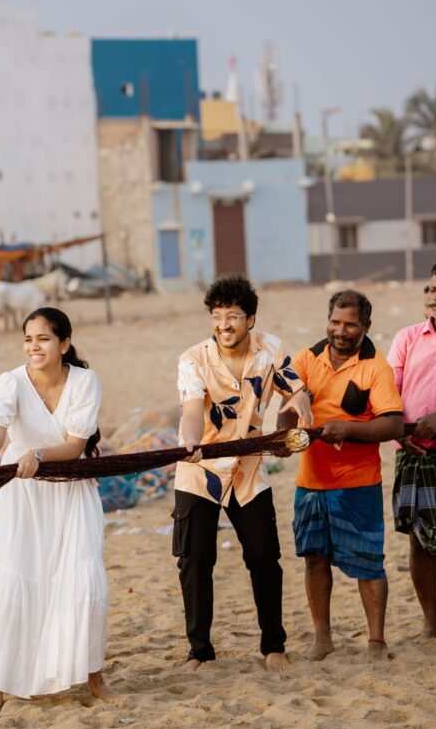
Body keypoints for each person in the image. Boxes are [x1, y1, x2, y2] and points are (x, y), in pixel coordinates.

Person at [0, 307, 111, 716]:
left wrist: (37, 453)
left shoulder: (84, 382)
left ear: (64, 344)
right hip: (24, 497)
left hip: (71, 493)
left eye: (43, 338)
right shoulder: (11, 383)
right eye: (28, 339)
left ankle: (93, 676)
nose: (34, 346)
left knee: (85, 582)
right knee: (13, 579)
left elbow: (75, 445)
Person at [173, 274, 313, 673]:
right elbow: (191, 410)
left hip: (249, 469)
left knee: (265, 558)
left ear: (250, 319)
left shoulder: (271, 349)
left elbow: (293, 388)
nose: (223, 325)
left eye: (232, 316)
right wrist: (191, 441)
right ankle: (199, 651)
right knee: (195, 560)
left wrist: (299, 403)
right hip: (199, 470)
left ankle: (274, 645)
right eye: (216, 316)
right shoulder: (193, 359)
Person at [284, 290, 404, 661]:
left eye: (350, 324)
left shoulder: (376, 367)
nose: (341, 330)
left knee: (369, 563)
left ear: (365, 327)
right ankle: (323, 639)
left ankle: (376, 642)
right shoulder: (306, 358)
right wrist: (293, 400)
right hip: (311, 482)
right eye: (335, 322)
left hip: (358, 483)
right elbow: (283, 417)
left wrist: (348, 429)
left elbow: (393, 424)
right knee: (314, 558)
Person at [388, 258, 436, 637]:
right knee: (421, 541)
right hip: (414, 451)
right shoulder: (407, 338)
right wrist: (396, 431)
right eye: (432, 289)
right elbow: (388, 391)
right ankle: (431, 624)